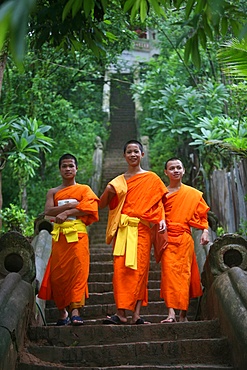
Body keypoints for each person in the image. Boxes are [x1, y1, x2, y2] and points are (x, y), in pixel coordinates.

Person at [99, 140, 168, 325]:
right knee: (120, 271)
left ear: (142, 154)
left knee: (140, 272)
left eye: (136, 151)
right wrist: (107, 190)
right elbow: (102, 204)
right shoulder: (118, 182)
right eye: (129, 151)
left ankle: (136, 315)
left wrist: (161, 219)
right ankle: (121, 313)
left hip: (142, 230)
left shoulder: (151, 178)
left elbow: (159, 203)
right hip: (123, 231)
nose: (132, 154)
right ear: (124, 156)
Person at [38, 153, 99, 326]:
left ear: (76, 168)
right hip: (60, 236)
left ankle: (75, 311)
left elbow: (90, 208)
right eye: (64, 166)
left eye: (71, 165)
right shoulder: (53, 191)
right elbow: (48, 211)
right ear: (60, 169)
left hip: (78, 235)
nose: (67, 169)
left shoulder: (84, 189)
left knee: (78, 272)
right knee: (58, 276)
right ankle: (62, 312)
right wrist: (72, 205)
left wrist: (67, 212)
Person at [160, 157, 209, 323]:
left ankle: (183, 314)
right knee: (168, 274)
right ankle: (171, 313)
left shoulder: (192, 194)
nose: (175, 170)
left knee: (184, 275)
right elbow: (155, 216)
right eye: (171, 168)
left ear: (183, 170)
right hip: (166, 238)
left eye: (178, 167)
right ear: (166, 172)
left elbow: (202, 215)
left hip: (184, 238)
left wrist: (205, 231)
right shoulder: (162, 194)